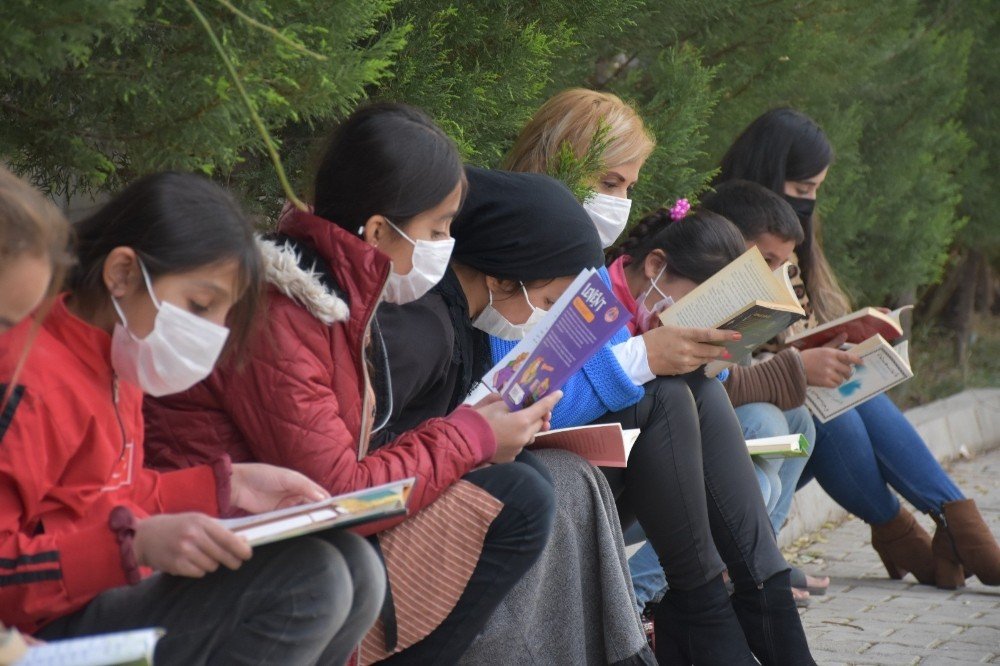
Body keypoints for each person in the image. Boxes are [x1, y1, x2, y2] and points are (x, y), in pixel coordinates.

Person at [143, 104, 560, 664]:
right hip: (206, 546)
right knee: (511, 503)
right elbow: (343, 491)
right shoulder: (284, 312)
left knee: (367, 564)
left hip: (260, 533)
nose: (445, 246)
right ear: (380, 231)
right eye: (436, 230)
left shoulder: (330, 297)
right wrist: (470, 436)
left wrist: (475, 430)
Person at [0, 171, 385, 665]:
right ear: (121, 274)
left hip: (104, 590)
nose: (213, 333)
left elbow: (107, 496)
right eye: (200, 305)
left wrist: (228, 486)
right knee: (312, 582)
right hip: (47, 624)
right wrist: (131, 547)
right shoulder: (31, 377)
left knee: (358, 567)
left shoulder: (118, 361)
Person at [378, 166, 656, 666]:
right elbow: (382, 453)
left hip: (415, 483)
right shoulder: (426, 331)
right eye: (548, 302)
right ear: (503, 274)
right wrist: (481, 438)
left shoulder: (456, 321)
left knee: (549, 480)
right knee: (528, 494)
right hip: (380, 515)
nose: (539, 319)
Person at [716, 107, 1000, 589]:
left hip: (781, 424)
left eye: (815, 192)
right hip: (747, 427)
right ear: (768, 176)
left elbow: (795, 332)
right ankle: (938, 535)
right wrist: (797, 363)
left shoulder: (789, 247)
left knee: (848, 393)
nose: (809, 204)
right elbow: (724, 357)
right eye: (802, 191)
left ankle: (936, 531)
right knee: (832, 413)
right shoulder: (717, 240)